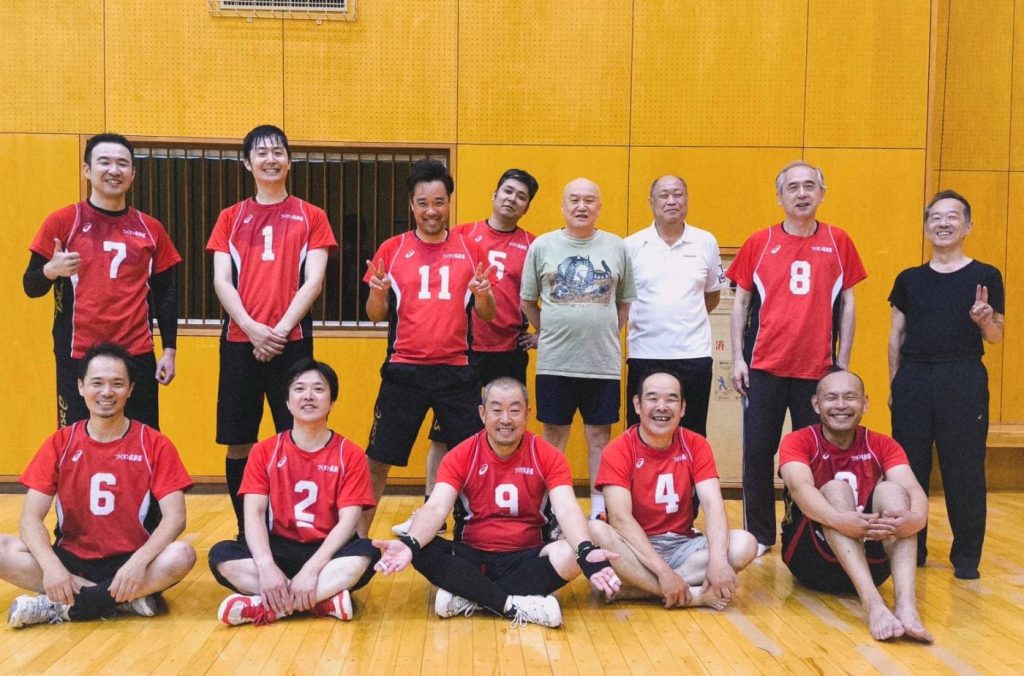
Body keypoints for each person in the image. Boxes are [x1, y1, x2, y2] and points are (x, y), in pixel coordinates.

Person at [372, 378, 621, 627]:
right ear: (482, 413)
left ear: (527, 414)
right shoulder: (461, 454)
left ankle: (471, 595)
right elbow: (436, 507)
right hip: (473, 557)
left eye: (514, 410)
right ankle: (514, 606)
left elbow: (566, 508)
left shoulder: (547, 455)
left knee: (573, 552)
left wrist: (585, 550)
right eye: (496, 410)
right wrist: (410, 544)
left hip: (528, 557)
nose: (505, 419)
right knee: (419, 548)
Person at [0, 343, 195, 628]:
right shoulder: (60, 442)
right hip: (71, 561)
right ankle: (122, 600)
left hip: (130, 562)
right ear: (81, 387)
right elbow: (30, 519)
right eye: (97, 383)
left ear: (130, 389)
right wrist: (52, 568)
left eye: (117, 384)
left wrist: (137, 564)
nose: (107, 392)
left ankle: (65, 606)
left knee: (181, 555)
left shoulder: (155, 444)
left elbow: (175, 518)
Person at [728, 161, 867, 555]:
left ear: (822, 193)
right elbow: (740, 304)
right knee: (758, 451)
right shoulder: (760, 241)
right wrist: (737, 358)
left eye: (809, 186)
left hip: (817, 371)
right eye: (793, 187)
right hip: (764, 368)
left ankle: (805, 529)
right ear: (779, 197)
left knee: (812, 455)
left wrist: (842, 363)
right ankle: (759, 535)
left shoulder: (839, 241)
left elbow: (849, 303)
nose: (802, 193)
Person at [206, 124, 337, 538]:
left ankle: (288, 527)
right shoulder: (230, 217)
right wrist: (251, 329)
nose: (270, 159)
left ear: (289, 161)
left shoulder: (312, 216)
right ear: (247, 163)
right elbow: (221, 280)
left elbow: (314, 281)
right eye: (261, 153)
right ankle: (247, 530)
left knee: (295, 436)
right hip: (238, 344)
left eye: (278, 152)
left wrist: (277, 331)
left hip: (291, 344)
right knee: (239, 441)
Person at [395, 169, 541, 537]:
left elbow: (548, 294)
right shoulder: (463, 236)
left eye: (521, 196)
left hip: (508, 351)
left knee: (503, 432)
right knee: (443, 435)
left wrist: (545, 332)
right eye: (507, 191)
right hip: (465, 353)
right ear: (494, 194)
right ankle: (431, 509)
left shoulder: (533, 245)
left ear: (526, 207)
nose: (512, 199)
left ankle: (491, 509)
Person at [362, 159, 495, 535]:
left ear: (449, 202)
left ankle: (476, 537)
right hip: (404, 370)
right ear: (411, 205)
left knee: (474, 460)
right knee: (378, 459)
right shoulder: (392, 249)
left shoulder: (470, 249)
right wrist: (377, 293)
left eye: (439, 202)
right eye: (423, 203)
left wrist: (483, 295)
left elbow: (487, 314)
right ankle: (355, 542)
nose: (431, 211)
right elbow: (375, 314)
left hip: (457, 372)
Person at [23, 133, 181, 430]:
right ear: (87, 169)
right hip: (78, 353)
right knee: (75, 439)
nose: (114, 170)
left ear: (133, 173)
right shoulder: (63, 221)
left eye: (122, 163)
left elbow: (166, 294)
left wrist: (169, 350)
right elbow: (30, 286)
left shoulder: (151, 229)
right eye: (104, 162)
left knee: (142, 439)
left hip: (137, 354)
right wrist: (50, 271)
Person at [209, 359, 379, 626]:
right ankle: (322, 601)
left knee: (367, 553)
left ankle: (268, 607)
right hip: (278, 548)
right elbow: (254, 513)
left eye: (318, 389)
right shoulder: (264, 450)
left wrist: (311, 570)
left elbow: (349, 522)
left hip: (326, 552)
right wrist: (266, 566)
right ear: (287, 402)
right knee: (221, 556)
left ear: (332, 401)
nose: (308, 396)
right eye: (299, 389)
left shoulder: (350, 453)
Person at [888, 190, 1004, 580]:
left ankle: (967, 557)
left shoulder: (986, 276)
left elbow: (996, 336)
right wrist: (895, 384)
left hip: (963, 377)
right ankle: (913, 548)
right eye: (935, 217)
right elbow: (896, 335)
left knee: (965, 469)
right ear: (926, 227)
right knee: (908, 468)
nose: (943, 223)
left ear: (967, 226)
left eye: (952, 217)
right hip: (914, 378)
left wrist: (984, 320)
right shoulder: (909, 279)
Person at [779, 370, 932, 643]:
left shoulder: (882, 443)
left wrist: (916, 519)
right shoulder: (798, 441)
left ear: (865, 403)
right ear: (816, 404)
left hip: (872, 561)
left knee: (893, 492)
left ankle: (906, 607)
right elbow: (801, 489)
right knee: (835, 490)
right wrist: (839, 520)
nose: (841, 405)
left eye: (850, 397)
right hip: (813, 561)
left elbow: (912, 489)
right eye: (831, 398)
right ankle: (873, 605)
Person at [521, 178, 636, 520]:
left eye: (589, 200)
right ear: (563, 206)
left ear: (599, 207)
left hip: (602, 363)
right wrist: (550, 330)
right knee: (553, 438)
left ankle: (600, 513)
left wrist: (602, 332)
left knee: (600, 437)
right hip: (555, 363)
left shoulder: (616, 247)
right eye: (574, 199)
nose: (581, 206)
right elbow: (527, 302)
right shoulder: (542, 246)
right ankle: (552, 513)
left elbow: (624, 304)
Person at [590, 372, 756, 608]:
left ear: (683, 408)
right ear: (637, 405)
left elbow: (713, 506)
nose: (662, 407)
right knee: (595, 530)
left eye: (671, 399)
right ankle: (691, 596)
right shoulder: (618, 449)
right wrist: (664, 572)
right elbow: (620, 519)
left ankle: (639, 590)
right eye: (652, 398)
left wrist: (718, 561)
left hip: (682, 546)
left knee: (744, 544)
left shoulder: (696, 444)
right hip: (634, 548)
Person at [624, 175, 725, 435]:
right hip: (645, 354)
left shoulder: (706, 241)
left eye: (678, 194)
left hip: (693, 355)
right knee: (641, 432)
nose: (671, 201)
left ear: (687, 199)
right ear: (651, 202)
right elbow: (622, 301)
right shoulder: (631, 245)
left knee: (692, 432)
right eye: (664, 195)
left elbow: (712, 296)